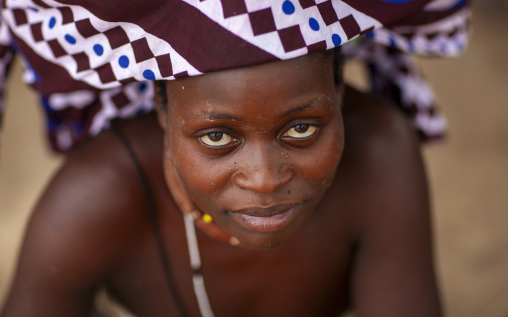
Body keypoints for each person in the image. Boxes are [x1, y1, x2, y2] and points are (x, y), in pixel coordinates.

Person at [1, 49, 440, 316]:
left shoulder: (377, 157)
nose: (266, 180)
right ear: (163, 112)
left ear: (339, 92)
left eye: (301, 129)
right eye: (217, 137)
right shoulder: (101, 194)